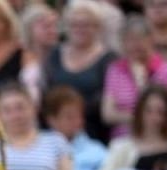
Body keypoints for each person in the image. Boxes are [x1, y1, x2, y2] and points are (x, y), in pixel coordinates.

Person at [43, 0, 117, 142]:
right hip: (56, 132)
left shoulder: (109, 59)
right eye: (75, 24)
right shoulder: (55, 54)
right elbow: (47, 90)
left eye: (86, 25)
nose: (80, 29)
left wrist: (74, 114)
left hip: (95, 131)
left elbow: (107, 97)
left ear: (97, 27)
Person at [103, 15, 167, 139]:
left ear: (151, 40)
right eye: (129, 40)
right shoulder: (115, 69)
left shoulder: (165, 70)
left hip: (156, 137)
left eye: (140, 39)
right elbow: (107, 114)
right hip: (122, 138)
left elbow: (165, 111)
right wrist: (140, 117)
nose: (135, 45)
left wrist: (140, 82)